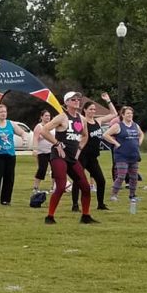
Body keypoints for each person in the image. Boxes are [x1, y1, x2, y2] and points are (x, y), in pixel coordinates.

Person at [40, 91, 98, 224]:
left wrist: (79, 149)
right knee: (60, 186)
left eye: (78, 99)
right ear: (66, 103)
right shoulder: (62, 117)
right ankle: (49, 217)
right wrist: (56, 143)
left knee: (85, 186)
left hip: (72, 157)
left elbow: (85, 136)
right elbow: (44, 131)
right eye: (73, 99)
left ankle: (86, 216)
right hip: (59, 156)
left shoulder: (82, 119)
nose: (77, 101)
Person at [71, 94, 117, 211]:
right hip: (82, 156)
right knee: (78, 180)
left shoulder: (98, 121)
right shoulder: (81, 121)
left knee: (101, 180)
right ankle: (75, 205)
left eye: (94, 109)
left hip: (93, 158)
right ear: (85, 110)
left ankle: (100, 204)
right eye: (90, 109)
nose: (93, 111)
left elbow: (114, 114)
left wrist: (108, 101)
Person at [103, 106, 143, 203]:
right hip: (122, 155)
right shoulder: (118, 126)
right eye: (128, 113)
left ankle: (132, 196)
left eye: (131, 113)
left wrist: (139, 142)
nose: (130, 115)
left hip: (134, 155)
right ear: (123, 115)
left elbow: (141, 134)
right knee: (121, 176)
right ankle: (114, 195)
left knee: (134, 177)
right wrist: (116, 143)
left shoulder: (135, 125)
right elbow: (105, 135)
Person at [31, 110, 53, 192]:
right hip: (42, 152)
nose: (48, 117)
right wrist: (35, 149)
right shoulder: (39, 126)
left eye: (49, 115)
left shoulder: (52, 126)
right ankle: (36, 187)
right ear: (41, 117)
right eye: (46, 116)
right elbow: (35, 138)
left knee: (55, 169)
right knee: (42, 169)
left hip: (52, 151)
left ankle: (53, 187)